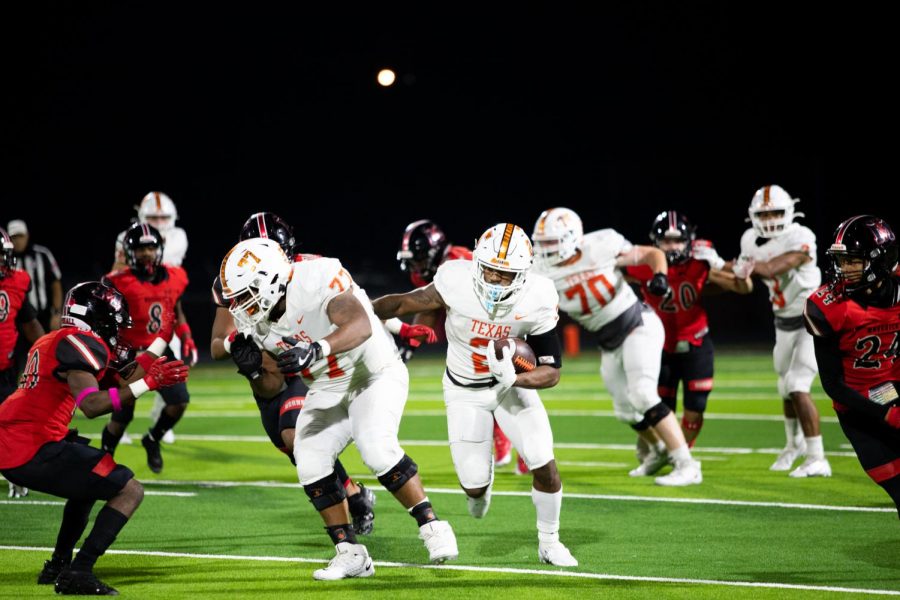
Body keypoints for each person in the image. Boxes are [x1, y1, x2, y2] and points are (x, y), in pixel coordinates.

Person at [220, 237, 457, 580]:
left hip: (373, 371)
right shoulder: (253, 322)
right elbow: (272, 387)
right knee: (308, 454)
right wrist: (255, 369)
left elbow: (359, 325)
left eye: (244, 295)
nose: (240, 306)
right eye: (236, 299)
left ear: (269, 279)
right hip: (327, 386)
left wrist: (317, 349)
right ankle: (350, 553)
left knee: (375, 445)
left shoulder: (316, 276)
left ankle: (432, 526)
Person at [374, 223, 578, 567]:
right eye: (489, 270)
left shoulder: (539, 295)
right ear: (476, 261)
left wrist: (515, 378)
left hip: (508, 389)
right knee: (473, 487)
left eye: (505, 274)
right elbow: (406, 303)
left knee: (544, 462)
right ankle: (481, 486)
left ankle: (550, 541)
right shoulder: (455, 278)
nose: (495, 280)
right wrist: (358, 308)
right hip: (463, 390)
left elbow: (551, 370)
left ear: (524, 274)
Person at [0, 281, 188, 595]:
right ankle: (80, 570)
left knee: (87, 484)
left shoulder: (58, 339)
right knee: (130, 490)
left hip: (20, 440)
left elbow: (129, 372)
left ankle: (59, 565)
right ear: (94, 318)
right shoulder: (77, 342)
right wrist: (150, 385)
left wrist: (161, 339)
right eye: (111, 322)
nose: (115, 330)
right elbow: (91, 405)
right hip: (31, 446)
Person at [210, 212, 376, 536]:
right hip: (266, 374)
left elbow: (354, 307)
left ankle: (345, 534)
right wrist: (237, 345)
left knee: (296, 436)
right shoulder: (235, 279)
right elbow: (217, 345)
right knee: (290, 446)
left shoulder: (311, 270)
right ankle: (355, 495)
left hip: (306, 360)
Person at [531, 207, 702, 486]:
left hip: (637, 324)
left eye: (551, 242)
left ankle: (687, 464)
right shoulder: (538, 270)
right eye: (542, 243)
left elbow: (651, 253)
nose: (545, 250)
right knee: (625, 408)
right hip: (608, 341)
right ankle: (658, 451)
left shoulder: (601, 245)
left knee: (644, 394)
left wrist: (659, 275)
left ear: (572, 237)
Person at [394, 219, 516, 470]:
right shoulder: (427, 272)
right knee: (477, 387)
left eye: (418, 259)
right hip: (467, 328)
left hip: (495, 321)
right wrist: (410, 342)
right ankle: (500, 436)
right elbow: (429, 304)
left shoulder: (460, 261)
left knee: (504, 385)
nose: (415, 267)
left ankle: (518, 444)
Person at [624, 211, 753, 448]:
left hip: (696, 343)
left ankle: (681, 456)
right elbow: (614, 273)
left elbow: (744, 287)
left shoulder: (700, 261)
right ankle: (666, 454)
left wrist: (738, 271)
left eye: (678, 240)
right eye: (666, 240)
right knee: (656, 408)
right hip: (660, 346)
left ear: (689, 240)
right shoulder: (644, 264)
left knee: (694, 411)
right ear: (655, 241)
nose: (672, 246)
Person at [733, 185, 831, 477]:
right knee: (784, 387)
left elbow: (776, 266)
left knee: (797, 384)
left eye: (776, 211)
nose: (771, 218)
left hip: (810, 319)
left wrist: (739, 266)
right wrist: (728, 270)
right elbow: (745, 282)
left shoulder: (801, 236)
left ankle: (818, 457)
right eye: (764, 213)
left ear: (790, 211)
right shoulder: (750, 240)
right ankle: (793, 445)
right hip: (782, 321)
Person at [804, 215, 900, 514]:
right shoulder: (828, 308)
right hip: (859, 409)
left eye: (852, 261)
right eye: (841, 261)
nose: (843, 270)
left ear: (879, 260)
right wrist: (885, 413)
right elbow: (833, 385)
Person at [100, 223, 196, 474]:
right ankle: (104, 458)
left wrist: (185, 334)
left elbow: (176, 308)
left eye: (151, 247)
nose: (146, 253)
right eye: (140, 248)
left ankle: (152, 439)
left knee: (179, 403)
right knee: (121, 418)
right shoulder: (117, 282)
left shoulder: (174, 277)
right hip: (128, 355)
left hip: (159, 349)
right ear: (130, 252)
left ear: (159, 249)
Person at [112, 192, 189, 445]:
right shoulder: (127, 239)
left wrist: (184, 328)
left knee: (175, 380)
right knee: (124, 389)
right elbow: (119, 273)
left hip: (163, 314)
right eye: (153, 217)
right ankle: (117, 425)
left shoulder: (178, 238)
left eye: (164, 217)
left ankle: (160, 424)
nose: (159, 222)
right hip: (136, 318)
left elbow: (170, 288)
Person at [1, 226, 45, 498]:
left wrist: (49, 353)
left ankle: (13, 472)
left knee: (8, 422)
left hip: (4, 368)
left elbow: (30, 324)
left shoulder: (17, 281)